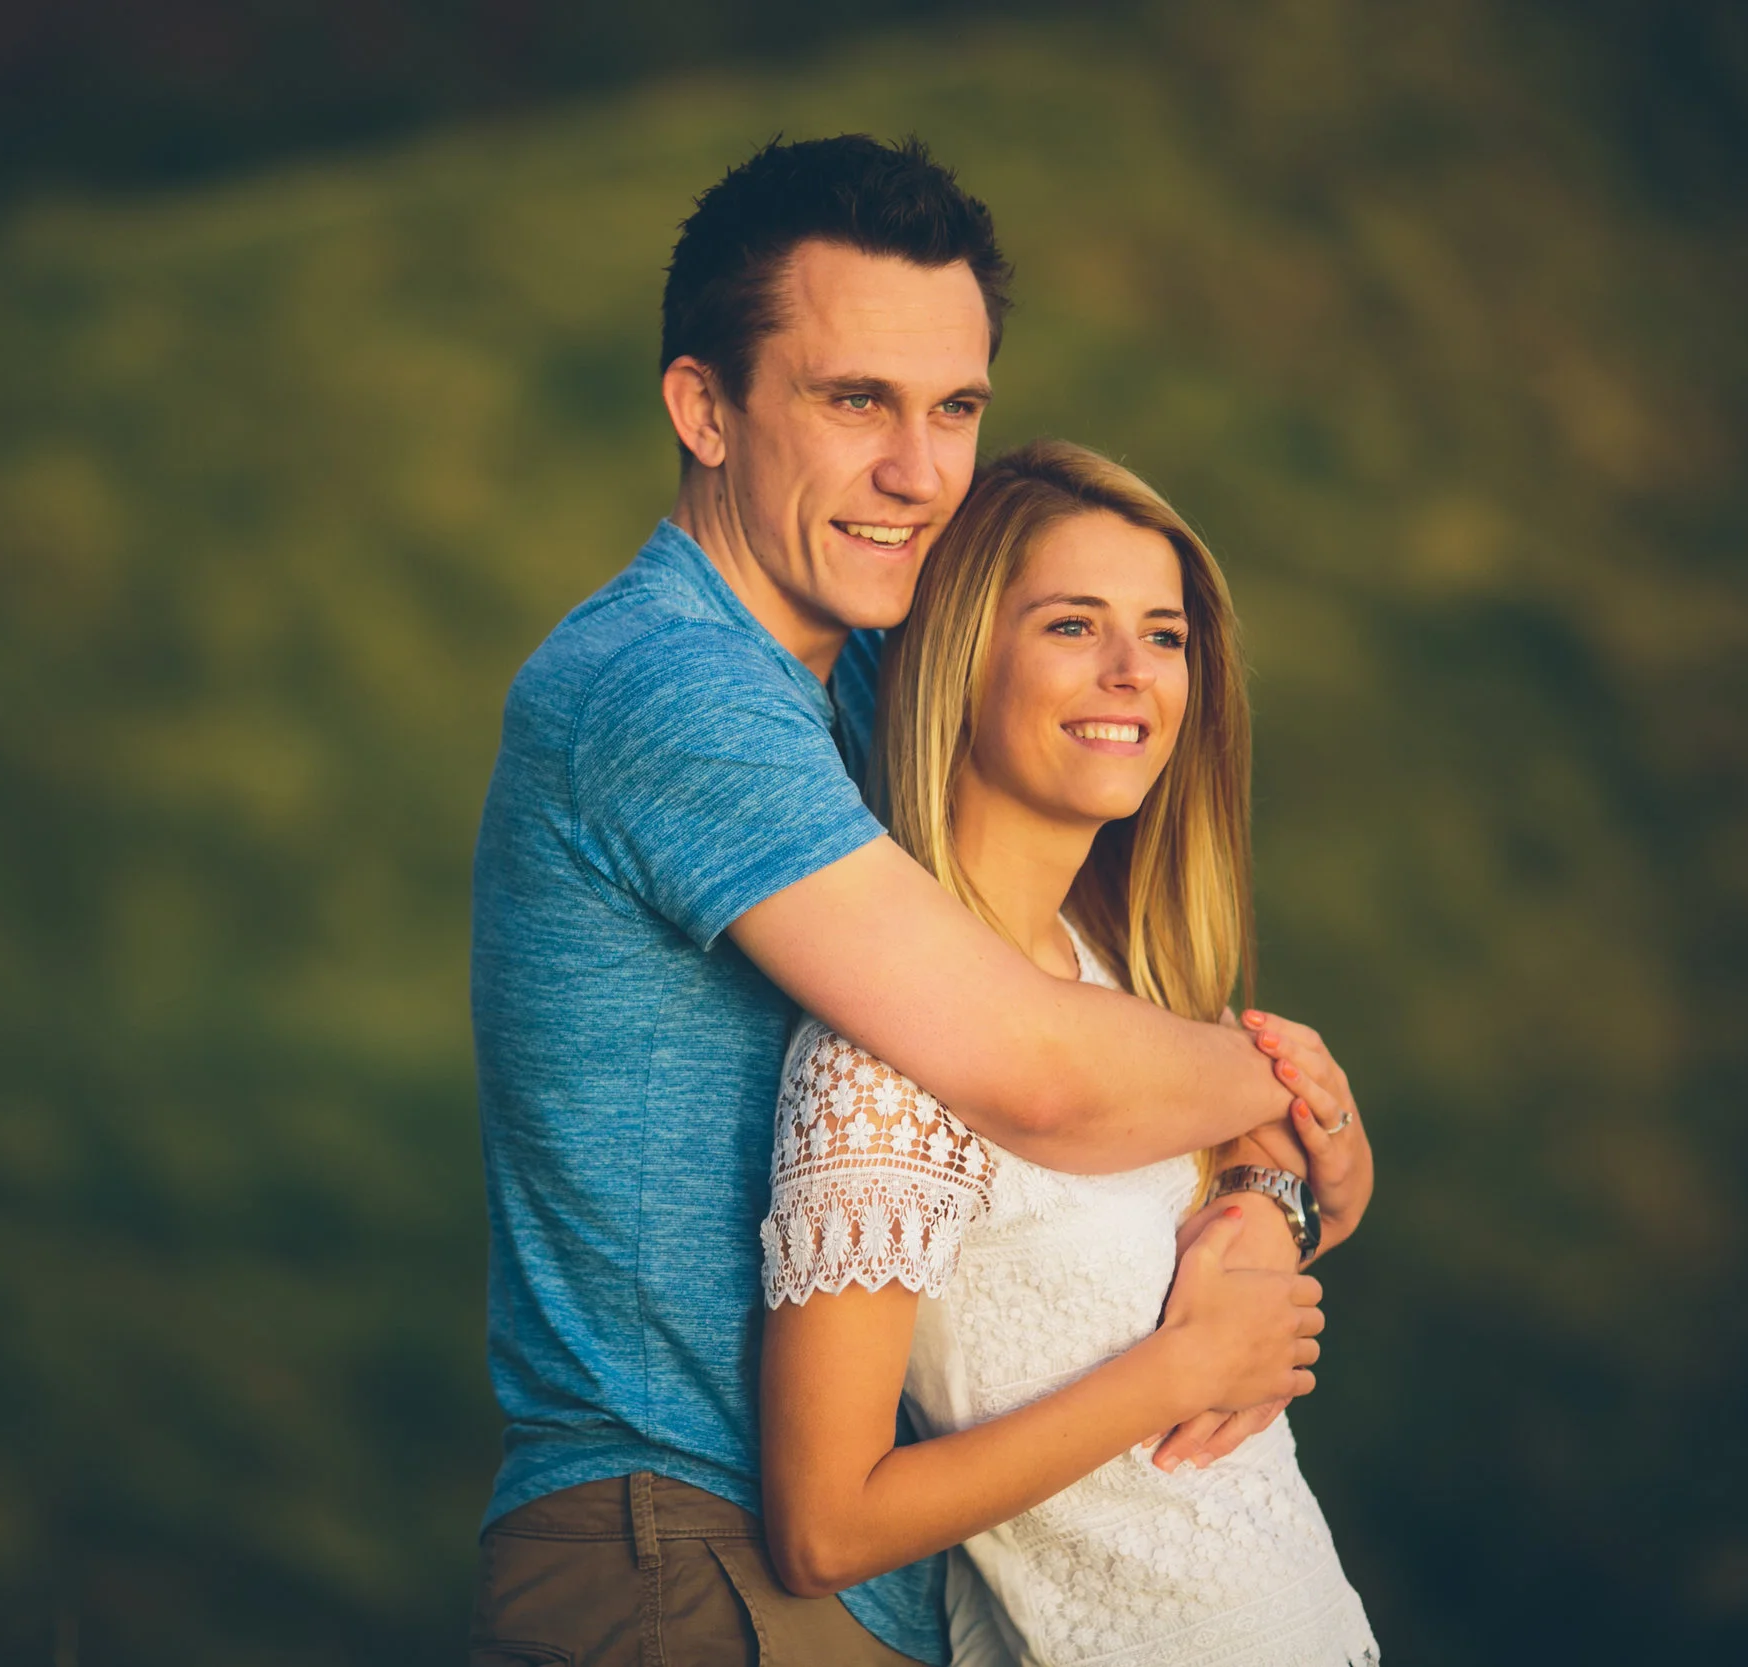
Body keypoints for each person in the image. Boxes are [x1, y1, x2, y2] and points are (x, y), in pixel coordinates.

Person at [469, 136, 1369, 1666]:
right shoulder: (665, 688)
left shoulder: (884, 673)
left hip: (880, 1583)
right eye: (853, 401)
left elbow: (1083, 1062)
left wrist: (1252, 1192)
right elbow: (1028, 1059)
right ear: (704, 407)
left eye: (955, 407)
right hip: (677, 1548)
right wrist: (1272, 1084)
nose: (920, 470)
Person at [757, 440, 1378, 1667]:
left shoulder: (1110, 967)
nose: (1128, 673)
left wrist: (1265, 1203)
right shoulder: (882, 1056)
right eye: (1070, 625)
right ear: (959, 659)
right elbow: (823, 1528)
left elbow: (1329, 1180)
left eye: (1163, 635)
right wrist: (1180, 1368)